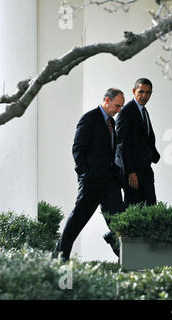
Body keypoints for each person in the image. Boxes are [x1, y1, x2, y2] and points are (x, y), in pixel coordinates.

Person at [55, 88, 125, 261]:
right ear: (106, 101)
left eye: (121, 107)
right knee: (77, 221)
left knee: (120, 222)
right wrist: (84, 174)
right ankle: (59, 257)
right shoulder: (89, 118)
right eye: (117, 106)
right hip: (92, 181)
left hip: (110, 182)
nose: (119, 110)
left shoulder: (111, 122)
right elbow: (78, 149)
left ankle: (126, 258)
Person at [115, 78, 160, 207]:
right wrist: (131, 172)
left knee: (150, 207)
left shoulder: (143, 111)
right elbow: (122, 145)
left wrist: (153, 155)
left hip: (144, 168)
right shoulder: (126, 112)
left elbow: (145, 138)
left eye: (148, 92)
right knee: (134, 207)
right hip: (132, 172)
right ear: (134, 91)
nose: (144, 96)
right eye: (141, 92)